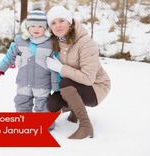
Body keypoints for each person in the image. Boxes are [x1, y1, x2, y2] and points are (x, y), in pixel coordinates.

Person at [45, 6, 111, 139]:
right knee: (52, 102)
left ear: (70, 22)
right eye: (53, 22)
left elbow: (88, 78)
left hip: (96, 87)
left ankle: (86, 126)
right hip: (74, 85)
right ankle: (74, 113)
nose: (58, 26)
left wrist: (61, 69)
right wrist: (20, 59)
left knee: (65, 83)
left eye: (61, 21)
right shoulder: (56, 42)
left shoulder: (86, 43)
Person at [0, 8, 59, 117]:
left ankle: (45, 124)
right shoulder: (20, 41)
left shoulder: (50, 44)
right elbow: (10, 55)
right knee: (22, 103)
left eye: (40, 26)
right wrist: (2, 67)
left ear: (45, 28)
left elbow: (55, 65)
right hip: (23, 81)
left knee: (43, 105)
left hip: (42, 83)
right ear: (27, 26)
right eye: (33, 26)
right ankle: (24, 122)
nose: (36, 29)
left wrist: (56, 85)